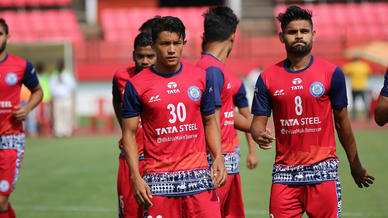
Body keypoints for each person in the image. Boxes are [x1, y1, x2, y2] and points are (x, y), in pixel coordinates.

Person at [250, 6, 374, 217]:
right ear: (281, 37)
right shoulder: (267, 78)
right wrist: (258, 133)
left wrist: (355, 165)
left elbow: (342, 123)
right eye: (292, 32)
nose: (299, 35)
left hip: (323, 173)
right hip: (284, 176)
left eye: (304, 31)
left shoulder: (332, 73)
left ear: (313, 35)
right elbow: (257, 123)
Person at [121, 16, 227, 217]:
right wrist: (135, 176)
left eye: (176, 43)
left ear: (184, 44)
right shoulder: (136, 85)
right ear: (153, 45)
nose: (171, 49)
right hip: (159, 184)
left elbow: (210, 120)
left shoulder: (200, 77)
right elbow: (129, 134)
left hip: (200, 181)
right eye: (165, 43)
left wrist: (218, 156)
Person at [197, 6, 256, 218]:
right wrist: (218, 158)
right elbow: (210, 118)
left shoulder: (214, 68)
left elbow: (227, 115)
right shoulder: (212, 70)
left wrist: (255, 129)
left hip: (226, 160)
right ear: (233, 36)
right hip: (217, 164)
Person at [0, 18, 43, 218]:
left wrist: (27, 110)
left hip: (11, 138)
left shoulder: (21, 66)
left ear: (7, 37)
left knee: (1, 198)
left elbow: (37, 91)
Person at [112, 32, 156, 218]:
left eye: (150, 56)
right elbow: (116, 100)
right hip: (130, 160)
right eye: (140, 56)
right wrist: (125, 126)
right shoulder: (121, 77)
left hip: (157, 160)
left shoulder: (166, 78)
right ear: (133, 55)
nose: (145, 61)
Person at [49, 60, 76, 137]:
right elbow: (51, 87)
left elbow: (72, 86)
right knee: (57, 115)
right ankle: (58, 131)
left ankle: (67, 131)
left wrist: (63, 81)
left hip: (66, 97)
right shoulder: (54, 75)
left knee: (67, 115)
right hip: (57, 98)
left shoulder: (67, 74)